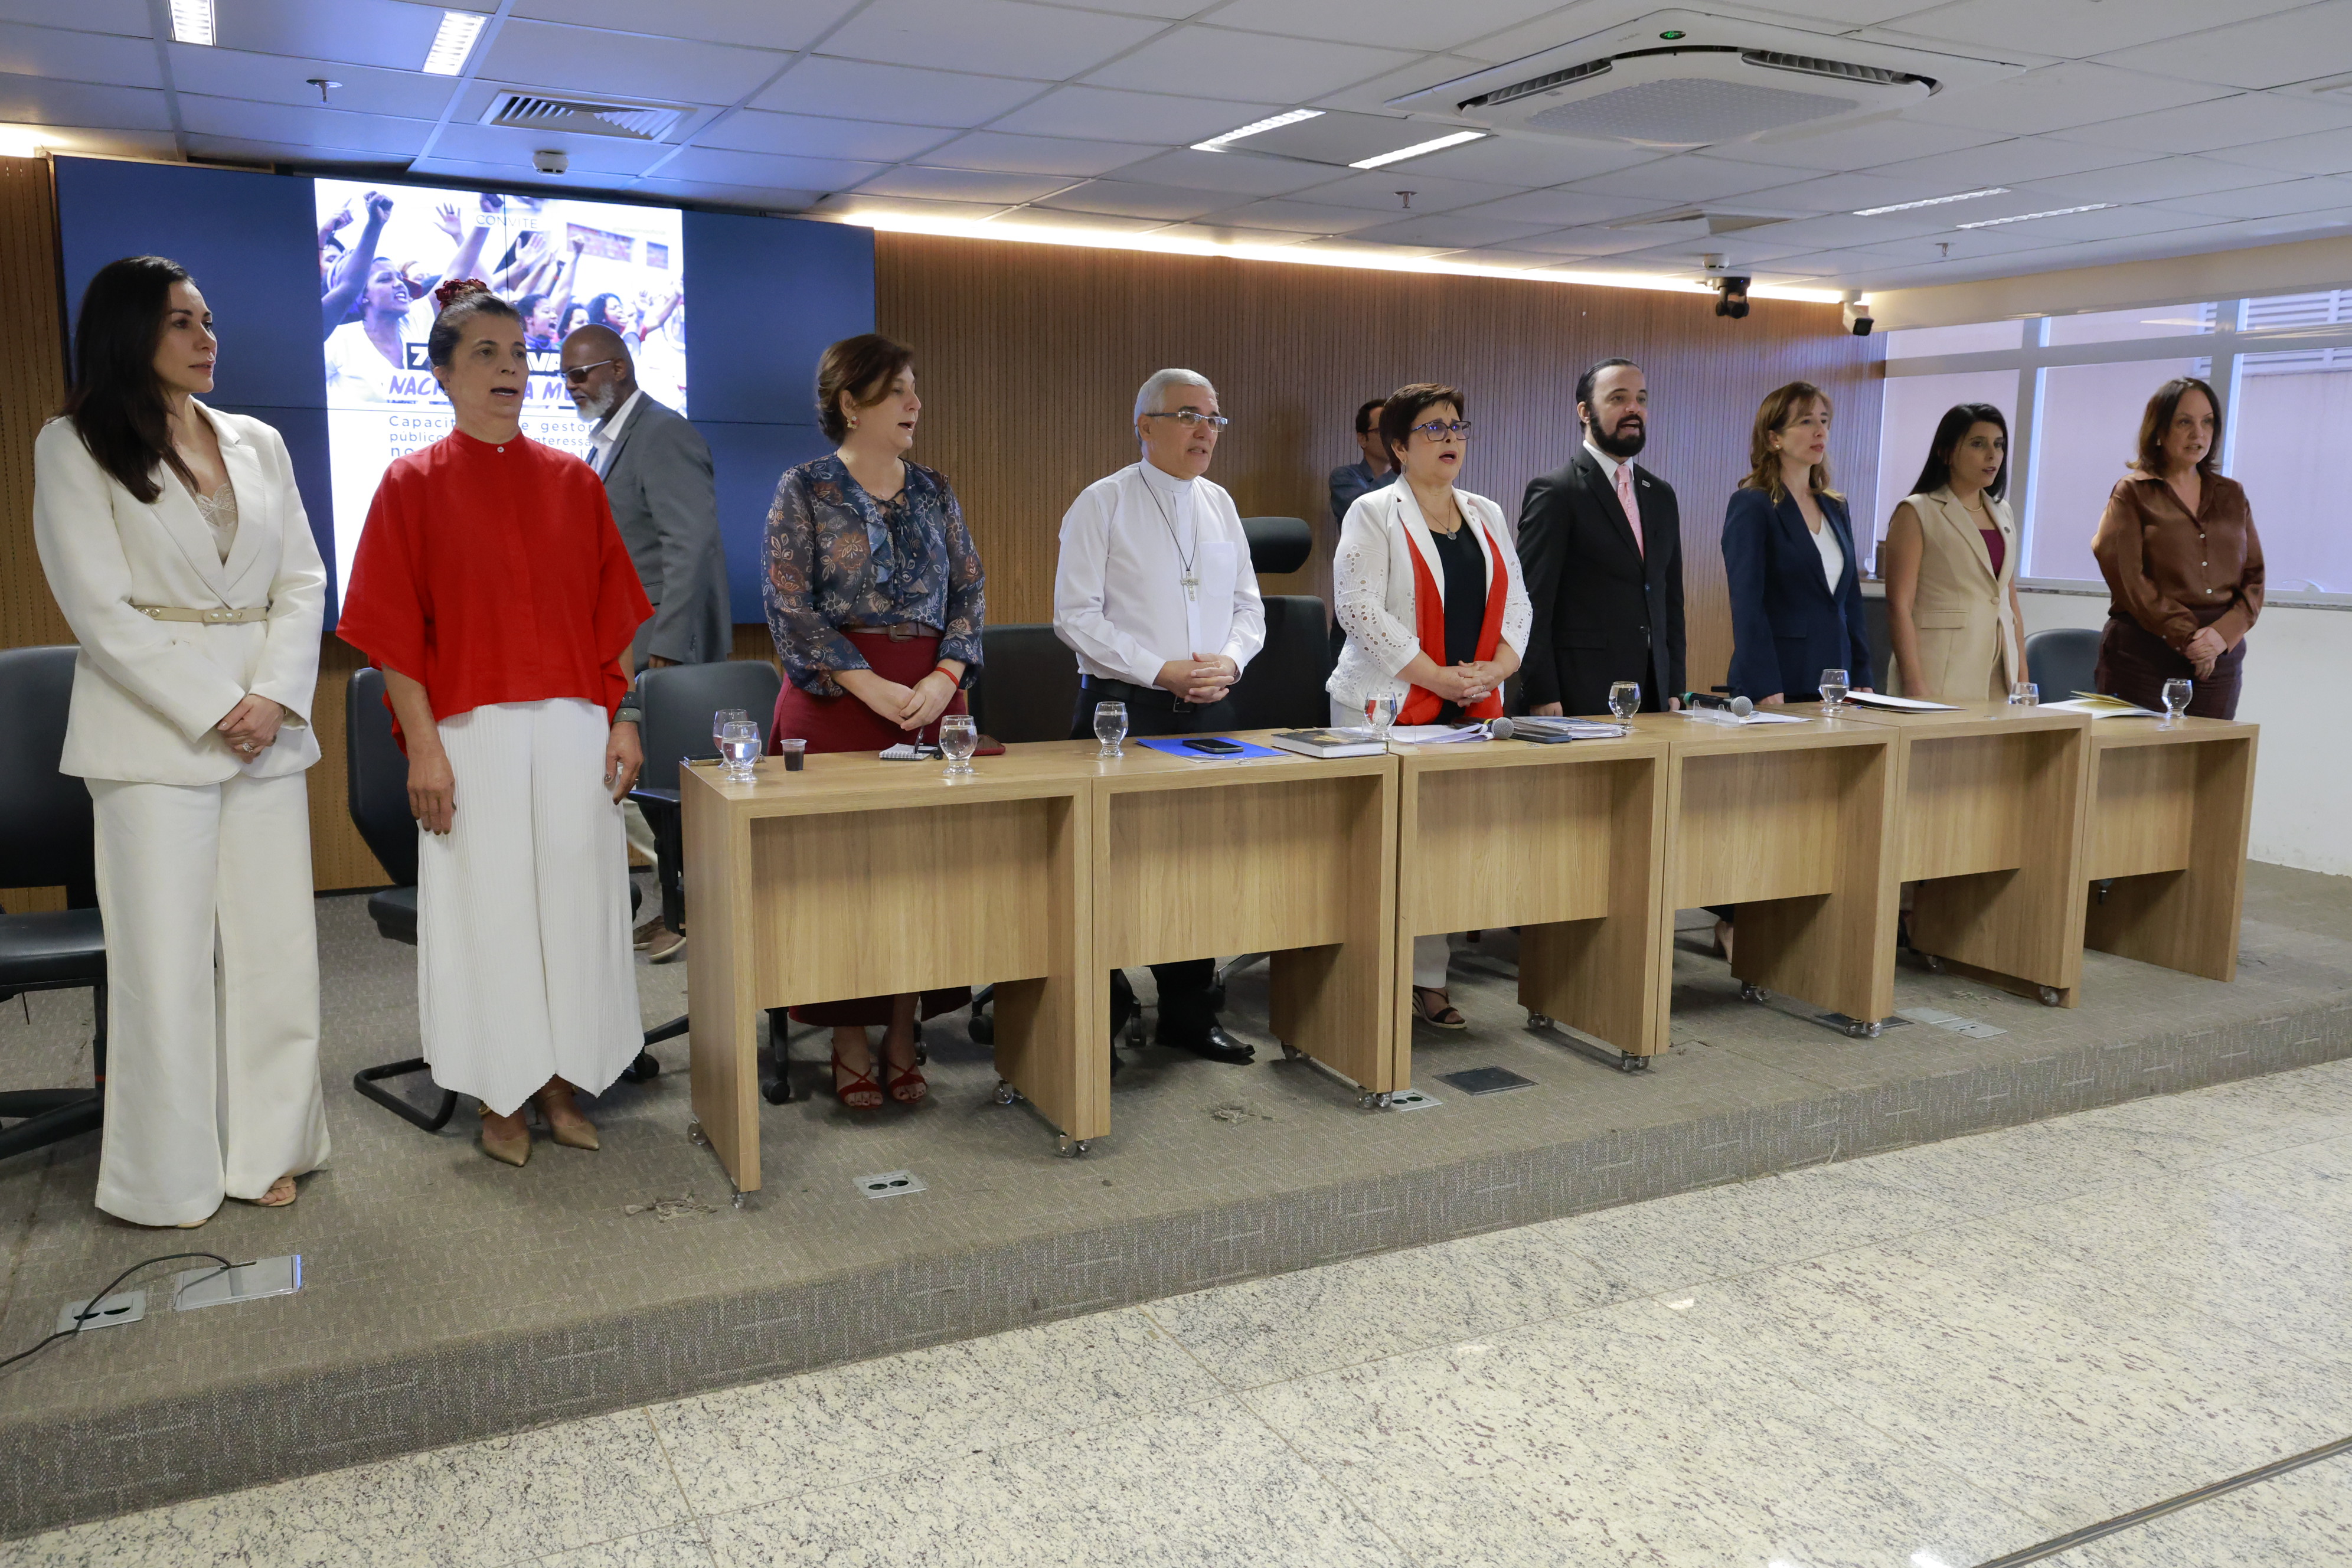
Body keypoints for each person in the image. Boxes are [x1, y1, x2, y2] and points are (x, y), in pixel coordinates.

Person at [31, 256, 330, 1226]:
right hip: (152, 733)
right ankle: (167, 1174)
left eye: (208, 320)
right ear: (130, 332)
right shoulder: (74, 445)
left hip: (265, 730)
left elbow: (302, 581)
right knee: (164, 963)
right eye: (181, 323)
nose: (207, 339)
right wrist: (216, 705)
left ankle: (267, 1146)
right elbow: (98, 607)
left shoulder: (259, 442)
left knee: (273, 952)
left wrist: (271, 697)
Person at [337, 279, 652, 1168]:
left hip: (575, 725)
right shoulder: (409, 484)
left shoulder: (572, 482)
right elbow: (394, 638)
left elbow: (613, 621)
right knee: (491, 914)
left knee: (573, 907)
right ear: (440, 373)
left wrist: (624, 719)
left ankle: (561, 1080)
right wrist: (424, 749)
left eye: (519, 354)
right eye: (486, 353)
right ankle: (497, 1090)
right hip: (468, 734)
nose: (509, 369)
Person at [762, 334, 985, 1109]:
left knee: (923, 875)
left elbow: (969, 594)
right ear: (850, 404)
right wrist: (869, 686)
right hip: (834, 704)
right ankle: (847, 1035)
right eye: (897, 391)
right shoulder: (804, 488)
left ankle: (901, 1026)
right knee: (839, 880)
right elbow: (789, 605)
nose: (915, 404)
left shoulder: (935, 491)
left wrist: (945, 675)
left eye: (915, 389)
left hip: (931, 700)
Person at [1054, 368, 1265, 1066]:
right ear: (1144, 425)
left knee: (1196, 864)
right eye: (1189, 415)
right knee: (1112, 866)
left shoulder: (1220, 503)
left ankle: (1188, 1013)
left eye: (1214, 418)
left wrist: (1230, 660)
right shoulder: (1104, 501)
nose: (1206, 430)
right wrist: (1160, 669)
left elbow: (1249, 607)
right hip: (1125, 710)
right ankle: (1102, 1012)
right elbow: (1074, 616)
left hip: (1209, 709)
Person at [1327, 383, 1530, 1029]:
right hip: (1384, 708)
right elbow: (1359, 611)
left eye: (1456, 426)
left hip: (1467, 708)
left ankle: (1427, 982)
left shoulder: (1486, 512)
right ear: (1398, 446)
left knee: (1439, 852)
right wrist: (1436, 678)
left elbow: (1518, 603)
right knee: (1382, 855)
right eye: (1433, 428)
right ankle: (1361, 986)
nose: (1450, 438)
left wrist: (1495, 670)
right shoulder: (1373, 511)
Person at [562, 323, 733, 961]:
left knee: (671, 784)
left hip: (660, 643)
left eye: (582, 374)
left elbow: (691, 544)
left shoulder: (662, 433)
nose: (572, 386)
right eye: (565, 377)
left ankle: (694, 912)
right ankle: (677, 904)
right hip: (625, 640)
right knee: (646, 781)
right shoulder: (608, 442)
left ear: (619, 369)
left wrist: (670, 643)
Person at [1517, 358, 1685, 717]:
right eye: (1618, 398)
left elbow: (1670, 599)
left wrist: (1675, 684)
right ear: (1585, 412)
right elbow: (1531, 603)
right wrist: (1541, 691)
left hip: (1653, 691)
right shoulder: (1556, 492)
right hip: (1577, 692)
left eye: (1641, 399)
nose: (1634, 409)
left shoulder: (1661, 494)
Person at [2091, 377, 2262, 719]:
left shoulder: (2232, 494)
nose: (2198, 433)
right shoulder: (2133, 492)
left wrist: (2220, 636)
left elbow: (2254, 577)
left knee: (2208, 751)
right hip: (2145, 651)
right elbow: (2128, 578)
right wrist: (2188, 638)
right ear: (2159, 430)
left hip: (2218, 654)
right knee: (2137, 753)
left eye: (2207, 422)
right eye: (2184, 422)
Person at [1723, 380, 1874, 707]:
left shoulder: (1836, 507)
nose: (1820, 431)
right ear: (1774, 438)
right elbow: (1747, 604)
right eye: (1806, 421)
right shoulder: (1753, 504)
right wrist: (1763, 683)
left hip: (1837, 680)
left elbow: (1850, 601)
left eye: (1824, 421)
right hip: (1779, 680)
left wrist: (1863, 674)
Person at [1882, 404, 2024, 701]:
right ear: (1946, 453)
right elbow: (1899, 606)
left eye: (1999, 445)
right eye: (1978, 444)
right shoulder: (1917, 511)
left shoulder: (2003, 511)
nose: (1993, 455)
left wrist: (2023, 680)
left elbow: (2009, 602)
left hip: (2000, 670)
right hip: (1940, 668)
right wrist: (1914, 684)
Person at [1328, 397, 1395, 528]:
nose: (1392, 437)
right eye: (1383, 431)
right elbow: (1362, 514)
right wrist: (1401, 468)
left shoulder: (1411, 480)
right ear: (1363, 439)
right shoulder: (1344, 476)